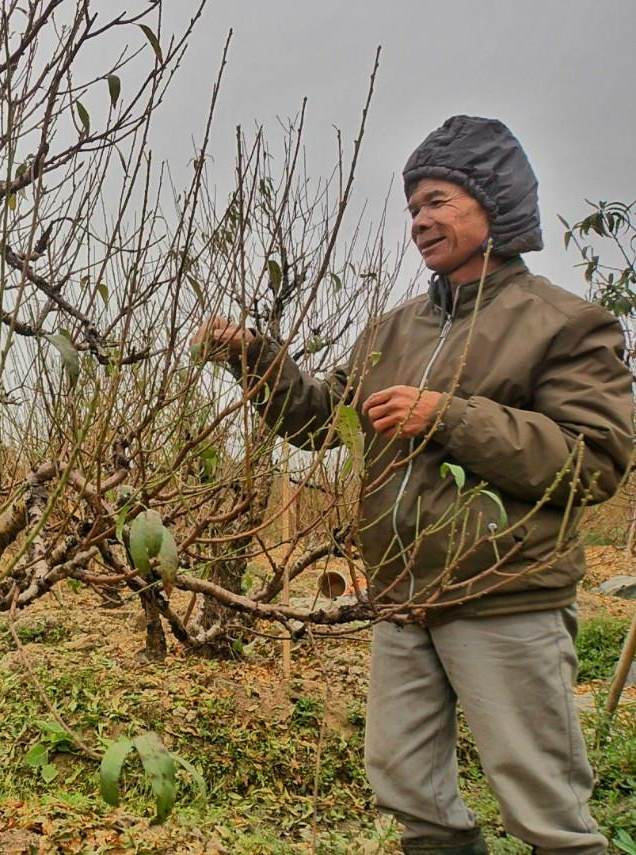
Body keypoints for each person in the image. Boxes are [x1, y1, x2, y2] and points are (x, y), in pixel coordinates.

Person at [196, 115, 634, 854]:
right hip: (404, 601)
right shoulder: (394, 330)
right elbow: (319, 423)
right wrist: (254, 358)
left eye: (437, 200)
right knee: (408, 792)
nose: (420, 220)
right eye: (412, 208)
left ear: (494, 200)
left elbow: (593, 460)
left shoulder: (565, 323)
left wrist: (450, 417)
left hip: (507, 596)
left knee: (545, 811)